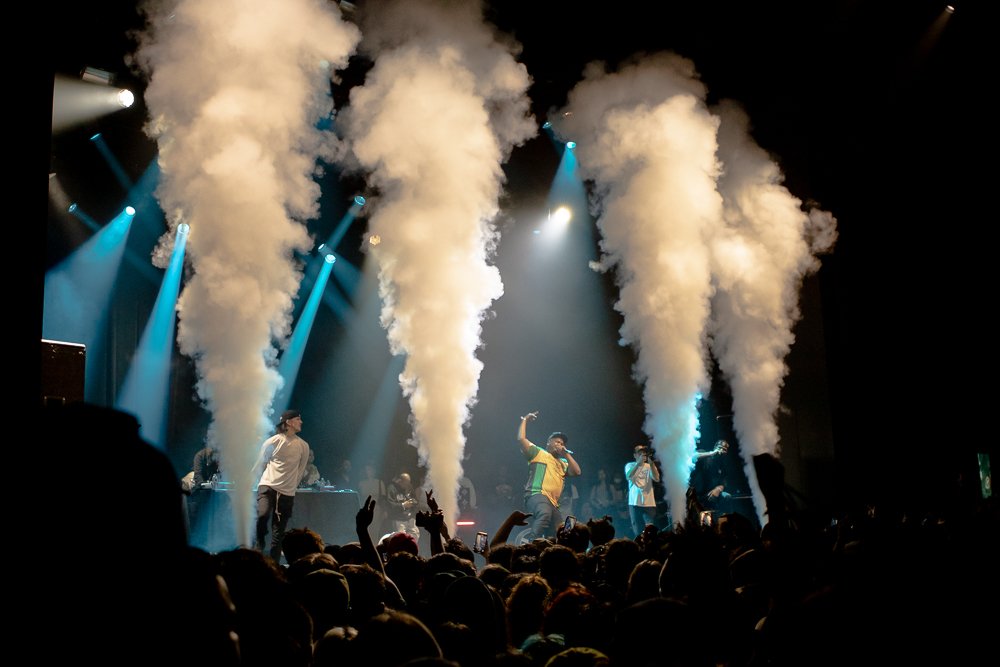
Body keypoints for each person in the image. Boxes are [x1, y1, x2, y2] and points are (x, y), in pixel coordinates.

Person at [252, 409, 311, 564]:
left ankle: (274, 565)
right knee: (262, 515)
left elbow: (300, 470)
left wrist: (291, 487)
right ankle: (259, 545)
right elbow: (260, 465)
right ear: (289, 422)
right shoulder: (273, 441)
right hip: (268, 486)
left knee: (279, 533)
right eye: (298, 419)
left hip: (287, 493)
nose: (301, 422)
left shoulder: (303, 446)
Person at [516, 410, 581, 542]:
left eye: (562, 444)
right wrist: (525, 421)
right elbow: (521, 439)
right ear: (548, 443)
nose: (560, 445)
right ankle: (531, 544)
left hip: (553, 503)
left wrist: (566, 454)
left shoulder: (563, 463)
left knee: (559, 531)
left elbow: (577, 472)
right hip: (536, 494)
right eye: (557, 442)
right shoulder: (539, 453)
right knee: (544, 513)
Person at [687, 439, 731, 523]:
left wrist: (718, 489)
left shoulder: (722, 465)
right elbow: (693, 457)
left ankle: (724, 523)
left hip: (711, 495)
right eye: (720, 448)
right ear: (715, 447)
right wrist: (712, 453)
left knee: (726, 496)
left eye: (724, 450)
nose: (721, 451)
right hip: (696, 495)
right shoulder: (705, 455)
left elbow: (724, 482)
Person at [625, 444, 660, 538]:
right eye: (640, 453)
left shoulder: (649, 466)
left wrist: (651, 463)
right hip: (634, 503)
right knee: (637, 531)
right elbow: (628, 476)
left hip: (648, 503)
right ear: (635, 455)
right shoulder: (630, 465)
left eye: (644, 453)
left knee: (650, 530)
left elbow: (656, 478)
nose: (642, 455)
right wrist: (638, 464)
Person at [385, 471, 420, 539]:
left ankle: (411, 549)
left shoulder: (409, 487)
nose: (408, 485)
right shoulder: (392, 488)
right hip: (399, 519)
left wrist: (412, 502)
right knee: (401, 538)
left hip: (410, 518)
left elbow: (415, 500)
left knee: (415, 534)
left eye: (408, 483)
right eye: (406, 483)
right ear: (400, 481)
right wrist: (403, 505)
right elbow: (390, 505)